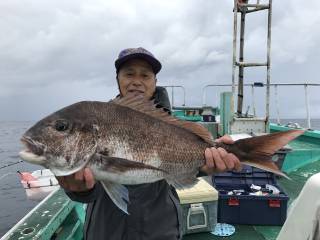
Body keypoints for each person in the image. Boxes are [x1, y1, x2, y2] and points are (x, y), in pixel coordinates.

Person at [57, 47, 241, 240]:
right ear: (117, 79)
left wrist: (210, 161)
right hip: (106, 228)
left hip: (161, 227)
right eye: (129, 74)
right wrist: (79, 190)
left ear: (155, 82)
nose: (137, 81)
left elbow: (184, 163)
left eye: (145, 75)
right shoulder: (99, 120)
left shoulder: (170, 125)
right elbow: (88, 188)